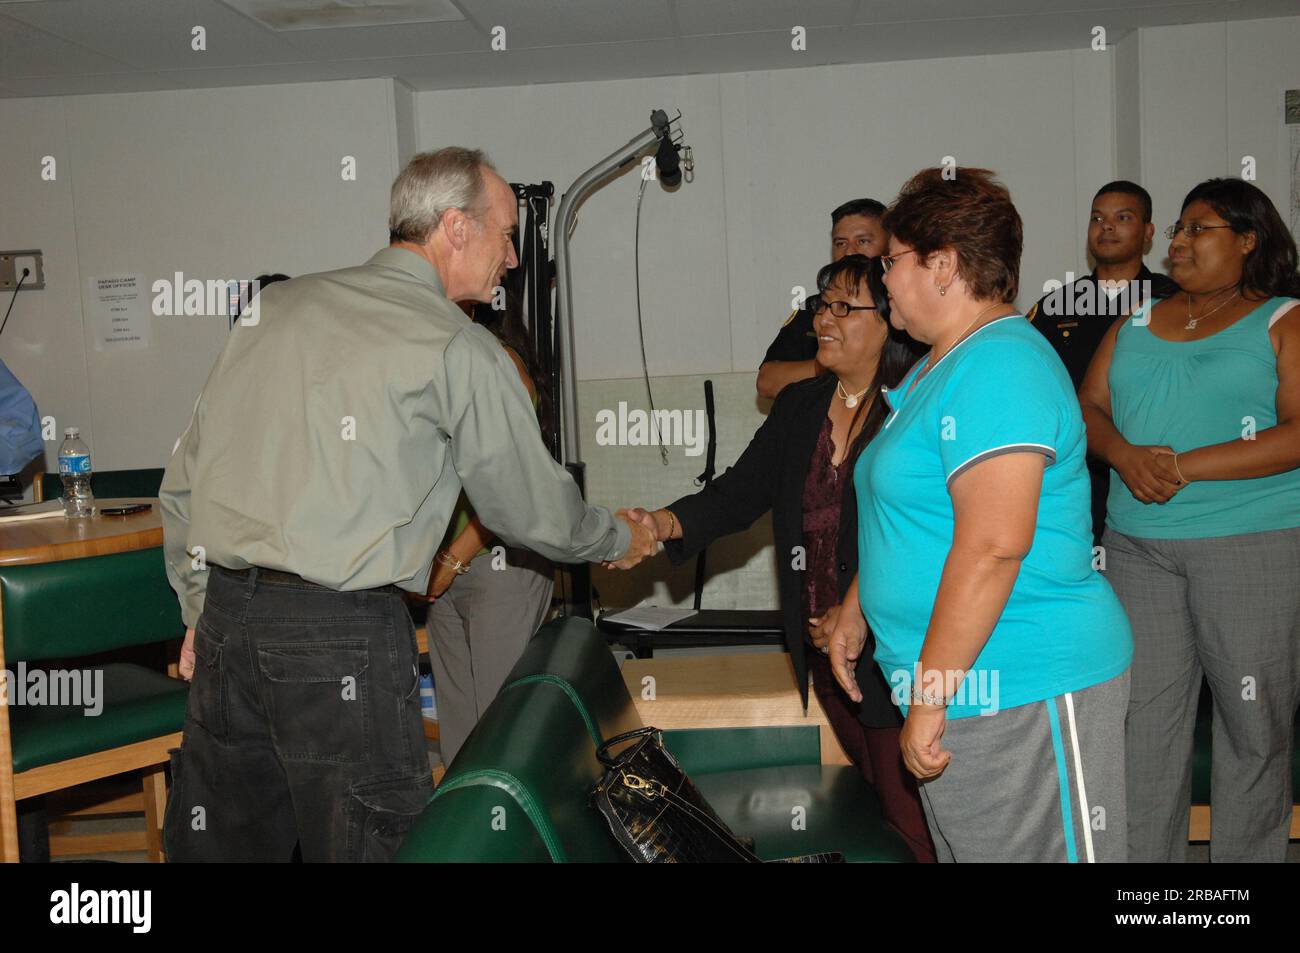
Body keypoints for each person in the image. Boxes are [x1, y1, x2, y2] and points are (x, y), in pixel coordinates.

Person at [158, 147, 656, 862]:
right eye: (506, 233)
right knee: (369, 847)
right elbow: (529, 510)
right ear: (456, 227)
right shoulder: (458, 346)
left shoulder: (273, 310)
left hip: (229, 625)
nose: (512, 258)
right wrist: (616, 538)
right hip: (341, 638)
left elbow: (182, 486)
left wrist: (199, 608)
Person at [826, 167, 1133, 862]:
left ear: (944, 265)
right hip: (970, 688)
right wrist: (860, 605)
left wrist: (930, 695)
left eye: (891, 261)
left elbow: (994, 544)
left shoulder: (999, 366)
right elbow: (914, 508)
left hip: (1025, 681)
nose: (882, 278)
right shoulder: (941, 365)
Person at [626, 255, 933, 861]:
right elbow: (738, 494)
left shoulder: (914, 406)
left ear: (888, 322)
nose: (824, 318)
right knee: (882, 805)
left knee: (915, 821)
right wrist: (658, 525)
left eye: (846, 306)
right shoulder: (801, 407)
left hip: (896, 653)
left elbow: (927, 534)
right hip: (824, 657)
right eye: (823, 304)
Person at [1078, 177, 1300, 862]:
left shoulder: (1282, 320)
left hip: (1250, 543)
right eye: (1176, 228)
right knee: (1143, 725)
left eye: (1198, 229)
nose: (1177, 241)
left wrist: (1183, 465)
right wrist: (1123, 454)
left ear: (1247, 239)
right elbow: (1086, 407)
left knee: (1250, 725)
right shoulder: (1137, 321)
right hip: (1137, 549)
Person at [419, 290, 556, 767]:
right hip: (446, 569)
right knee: (461, 739)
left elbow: (509, 485)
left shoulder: (500, 362)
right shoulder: (444, 360)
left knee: (501, 735)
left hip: (500, 564)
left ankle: (515, 840)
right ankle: (469, 840)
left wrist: (452, 560)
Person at [1027, 181, 1178, 544]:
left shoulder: (1174, 300)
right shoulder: (1058, 305)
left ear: (1148, 232)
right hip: (1075, 474)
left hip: (1154, 469)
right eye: (1097, 218)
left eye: (1122, 217)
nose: (1106, 227)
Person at [756, 199, 888, 399]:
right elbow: (767, 382)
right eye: (840, 243)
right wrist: (835, 362)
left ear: (890, 246)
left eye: (863, 241)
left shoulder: (904, 306)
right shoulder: (815, 308)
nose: (850, 252)